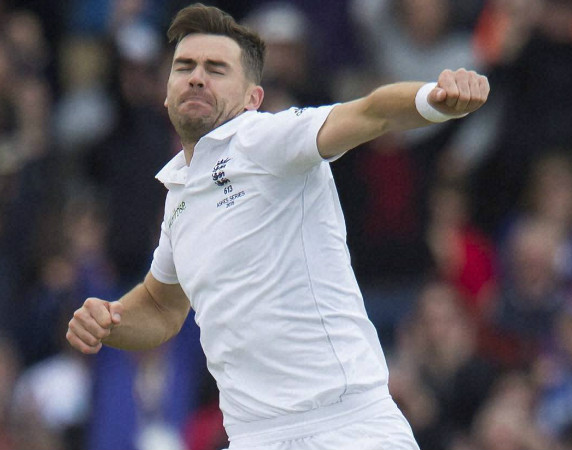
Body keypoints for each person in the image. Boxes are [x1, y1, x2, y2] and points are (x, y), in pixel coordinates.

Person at [66, 3, 489, 449]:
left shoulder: (266, 139)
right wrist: (110, 321)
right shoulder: (180, 197)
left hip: (346, 428)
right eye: (184, 66)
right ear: (166, 92)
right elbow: (160, 306)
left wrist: (434, 99)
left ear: (253, 99)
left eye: (216, 69)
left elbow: (370, 113)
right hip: (253, 437)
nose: (196, 77)